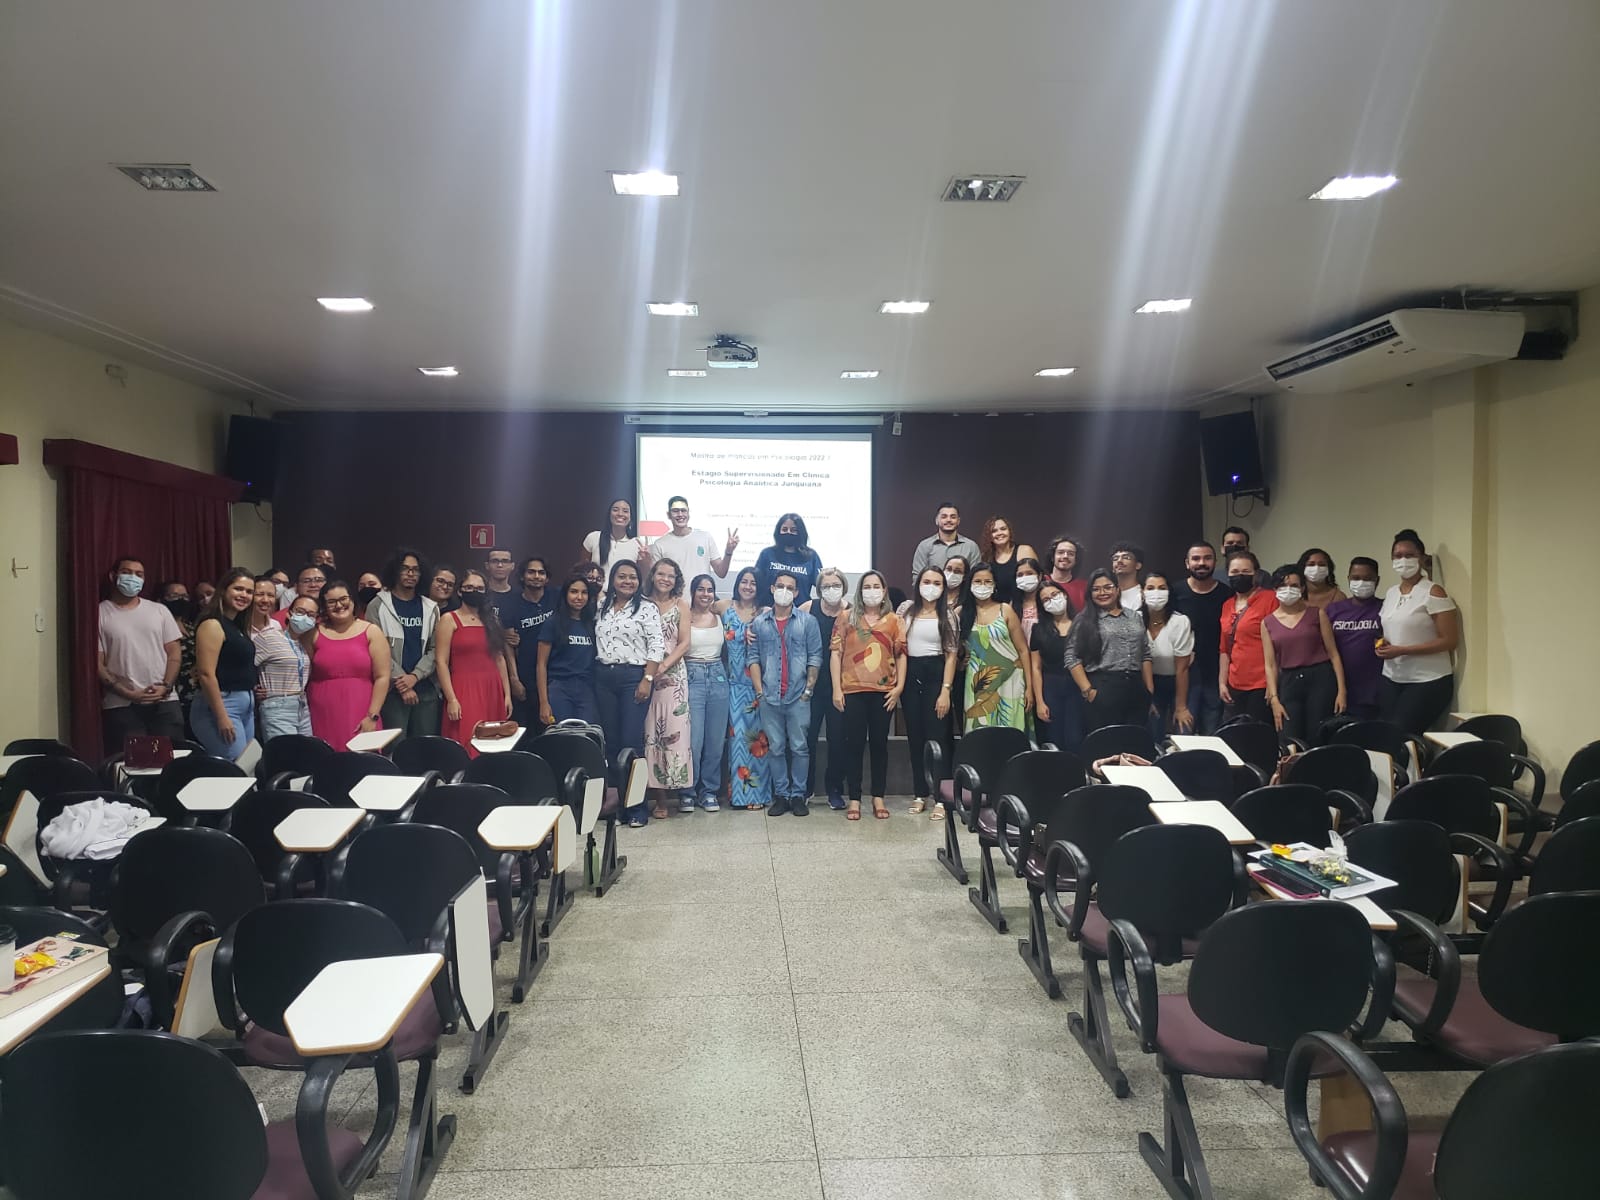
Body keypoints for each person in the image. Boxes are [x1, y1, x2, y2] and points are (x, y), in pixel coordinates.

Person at [593, 559, 665, 825]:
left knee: (631, 743)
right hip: (603, 678)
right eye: (621, 576)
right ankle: (619, 806)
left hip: (633, 677)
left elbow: (656, 645)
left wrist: (647, 678)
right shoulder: (601, 606)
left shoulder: (646, 608)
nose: (627, 581)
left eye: (632, 577)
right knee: (611, 744)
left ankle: (637, 809)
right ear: (612, 580)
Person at [831, 570, 906, 822]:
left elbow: (901, 655)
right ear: (859, 591)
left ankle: (878, 796)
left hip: (884, 692)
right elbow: (835, 654)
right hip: (852, 690)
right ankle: (854, 797)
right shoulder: (846, 617)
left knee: (879, 745)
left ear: (884, 591)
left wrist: (899, 687)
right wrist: (837, 688)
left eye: (876, 586)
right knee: (853, 745)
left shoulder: (894, 621)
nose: (871, 591)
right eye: (867, 586)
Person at [751, 571, 823, 817]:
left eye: (789, 588)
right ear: (772, 589)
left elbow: (815, 656)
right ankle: (781, 795)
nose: (784, 591)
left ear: (796, 592)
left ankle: (798, 795)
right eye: (780, 586)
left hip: (798, 696)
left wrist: (808, 689)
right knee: (776, 748)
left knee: (800, 747)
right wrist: (760, 692)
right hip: (769, 696)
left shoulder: (807, 622)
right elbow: (753, 658)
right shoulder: (760, 623)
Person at [97, 556, 184, 750]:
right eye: (126, 572)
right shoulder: (100, 613)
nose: (133, 578)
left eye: (139, 574)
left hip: (165, 702)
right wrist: (128, 693)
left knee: (173, 759)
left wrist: (166, 686)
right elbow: (98, 663)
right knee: (132, 762)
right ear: (113, 576)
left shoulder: (159, 610)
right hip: (121, 705)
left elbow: (174, 653)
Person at [1378, 529, 1458, 734]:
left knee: (1402, 733)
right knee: (1385, 733)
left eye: (1409, 555)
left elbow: (1449, 640)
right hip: (1392, 678)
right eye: (1397, 556)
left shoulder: (1433, 591)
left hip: (1427, 680)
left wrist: (1403, 650)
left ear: (1421, 558)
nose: (1403, 560)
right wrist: (1383, 644)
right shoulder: (1391, 593)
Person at [1261, 565, 1347, 743]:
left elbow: (1334, 654)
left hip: (1320, 678)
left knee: (1318, 734)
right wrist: (1274, 698)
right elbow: (1270, 664)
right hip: (1289, 681)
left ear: (1302, 588)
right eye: (1283, 586)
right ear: (1275, 589)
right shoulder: (1268, 622)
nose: (1288, 590)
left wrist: (1341, 690)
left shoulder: (1317, 614)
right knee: (1288, 736)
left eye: (1294, 585)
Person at [896, 566, 957, 818]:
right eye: (926, 581)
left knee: (938, 737)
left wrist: (945, 691)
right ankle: (920, 793)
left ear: (943, 587)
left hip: (936, 675)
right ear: (918, 584)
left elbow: (951, 655)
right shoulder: (906, 610)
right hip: (911, 674)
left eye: (937, 583)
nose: (931, 587)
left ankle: (941, 798)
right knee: (916, 738)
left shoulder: (948, 614)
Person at [1064, 569, 1153, 731]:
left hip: (1136, 687)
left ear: (1117, 589)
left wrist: (1149, 690)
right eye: (1096, 589)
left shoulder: (1134, 617)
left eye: (1107, 587)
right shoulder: (1084, 620)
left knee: (1135, 740)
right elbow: (1071, 657)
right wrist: (1088, 691)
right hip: (1103, 686)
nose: (1102, 593)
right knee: (1105, 741)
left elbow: (1145, 654)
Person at [365, 548, 441, 738]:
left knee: (424, 747)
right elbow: (375, 651)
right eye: (405, 569)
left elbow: (435, 650)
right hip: (392, 691)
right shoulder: (377, 605)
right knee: (395, 747)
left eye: (415, 570)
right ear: (395, 571)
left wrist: (415, 676)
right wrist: (402, 682)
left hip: (425, 689)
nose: (410, 573)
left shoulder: (430, 608)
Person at [435, 570, 512, 756]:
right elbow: (441, 662)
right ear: (460, 591)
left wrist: (507, 694)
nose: (474, 591)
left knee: (494, 743)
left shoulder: (492, 620)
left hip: (493, 687)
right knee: (468, 741)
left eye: (479, 588)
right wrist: (451, 699)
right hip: (464, 689)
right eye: (469, 587)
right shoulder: (449, 619)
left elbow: (499, 658)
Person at [306, 580, 391, 748]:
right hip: (321, 712)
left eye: (343, 599)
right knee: (323, 757)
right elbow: (302, 671)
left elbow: (382, 677)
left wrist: (372, 716)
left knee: (361, 758)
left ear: (352, 600)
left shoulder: (371, 631)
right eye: (331, 602)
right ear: (324, 606)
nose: (339, 605)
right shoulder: (313, 633)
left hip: (361, 711)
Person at [643, 559, 694, 816]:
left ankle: (679, 792)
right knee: (651, 734)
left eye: (671, 576)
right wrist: (651, 669)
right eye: (661, 574)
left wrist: (663, 665)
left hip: (674, 679)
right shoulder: (641, 603)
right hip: (645, 676)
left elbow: (684, 643)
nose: (665, 579)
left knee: (674, 733)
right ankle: (660, 800)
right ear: (652, 576)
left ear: (677, 580)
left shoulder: (681, 605)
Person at [190, 569, 259, 760]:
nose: (244, 595)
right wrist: (221, 716)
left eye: (249, 591)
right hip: (222, 705)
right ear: (223, 590)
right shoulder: (212, 624)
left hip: (245, 706)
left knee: (247, 766)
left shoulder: (237, 626)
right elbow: (206, 674)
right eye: (238, 589)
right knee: (234, 767)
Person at [960, 562, 1033, 734]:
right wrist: (961, 662)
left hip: (1010, 680)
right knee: (979, 731)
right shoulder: (961, 613)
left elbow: (1023, 650)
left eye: (988, 582)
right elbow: (955, 650)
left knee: (1010, 730)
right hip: (978, 682)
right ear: (970, 584)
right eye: (978, 581)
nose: (982, 586)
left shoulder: (1005, 610)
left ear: (994, 585)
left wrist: (1029, 688)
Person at [718, 567, 769, 811]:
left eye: (753, 583)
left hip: (758, 686)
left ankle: (758, 795)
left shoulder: (765, 612)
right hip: (732, 685)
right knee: (737, 740)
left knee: (758, 742)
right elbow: (697, 610)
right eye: (744, 581)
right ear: (737, 583)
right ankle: (739, 796)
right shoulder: (724, 607)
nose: (748, 586)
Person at [800, 567, 850, 810]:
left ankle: (835, 789)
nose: (831, 590)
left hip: (842, 685)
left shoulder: (851, 610)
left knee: (838, 739)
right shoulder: (808, 608)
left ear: (844, 587)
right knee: (807, 738)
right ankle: (805, 788)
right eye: (826, 586)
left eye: (836, 585)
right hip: (811, 685)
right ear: (819, 589)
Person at [682, 574, 730, 812]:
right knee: (694, 741)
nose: (705, 594)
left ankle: (709, 791)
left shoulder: (720, 616)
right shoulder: (685, 616)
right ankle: (688, 792)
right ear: (693, 592)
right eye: (700, 589)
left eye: (709, 590)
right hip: (692, 676)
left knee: (715, 741)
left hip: (718, 676)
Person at [1171, 541, 1229, 734]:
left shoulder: (1227, 594)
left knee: (1212, 735)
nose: (1202, 563)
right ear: (1187, 563)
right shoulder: (1175, 592)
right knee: (1183, 734)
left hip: (1216, 675)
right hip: (1184, 675)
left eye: (1207, 558)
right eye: (1196, 559)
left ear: (1215, 562)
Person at [1218, 551, 1278, 724]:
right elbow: (1224, 648)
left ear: (1256, 574)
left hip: (1261, 684)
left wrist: (1273, 685)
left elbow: (1278, 644)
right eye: (1235, 572)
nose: (1240, 576)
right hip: (1234, 684)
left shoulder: (1270, 599)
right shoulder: (1227, 605)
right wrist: (1222, 682)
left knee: (1257, 734)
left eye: (1246, 571)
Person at [250, 577, 313, 740]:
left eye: (311, 615)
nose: (305, 617)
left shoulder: (296, 640)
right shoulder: (267, 636)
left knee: (308, 752)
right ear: (289, 613)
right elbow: (243, 666)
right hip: (278, 705)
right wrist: (253, 688)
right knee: (285, 753)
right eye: (300, 612)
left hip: (301, 704)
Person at [1325, 557, 1385, 719]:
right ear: (1348, 579)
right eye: (1356, 578)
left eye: (1367, 578)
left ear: (1377, 580)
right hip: (1339, 688)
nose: (1361, 582)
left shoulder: (1385, 608)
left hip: (1374, 691)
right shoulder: (1333, 610)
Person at [536, 576, 599, 725]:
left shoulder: (592, 624)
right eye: (574, 592)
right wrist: (544, 702)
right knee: (564, 734)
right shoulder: (553, 623)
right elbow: (541, 665)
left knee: (586, 734)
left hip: (586, 688)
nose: (579, 597)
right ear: (565, 594)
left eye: (584, 592)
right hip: (559, 687)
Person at [1030, 578, 1082, 752]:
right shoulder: (1038, 629)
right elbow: (1036, 668)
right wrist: (1040, 701)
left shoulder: (1082, 624)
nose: (1052, 600)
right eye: (1046, 599)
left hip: (1077, 688)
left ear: (1064, 595)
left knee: (1075, 737)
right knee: (1054, 738)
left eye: (1055, 594)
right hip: (1051, 688)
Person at [502, 556, 554, 725]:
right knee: (527, 727)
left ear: (547, 578)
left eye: (541, 572)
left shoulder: (556, 597)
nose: (536, 576)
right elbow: (508, 644)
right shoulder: (511, 604)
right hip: (525, 674)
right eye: (531, 572)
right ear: (522, 576)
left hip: (555, 673)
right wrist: (514, 679)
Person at [1143, 571, 1194, 738]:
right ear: (1142, 592)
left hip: (1177, 682)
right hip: (1147, 684)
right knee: (1151, 733)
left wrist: (1181, 707)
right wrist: (1148, 699)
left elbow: (1182, 669)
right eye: (1150, 588)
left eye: (1162, 588)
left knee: (1183, 730)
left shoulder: (1180, 622)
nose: (1156, 593)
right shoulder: (1135, 619)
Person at [650, 497, 737, 581]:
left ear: (688, 513)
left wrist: (728, 552)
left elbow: (721, 572)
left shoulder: (705, 537)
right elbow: (654, 579)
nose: (680, 514)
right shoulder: (660, 544)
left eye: (683, 510)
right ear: (668, 515)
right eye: (675, 511)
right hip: (674, 592)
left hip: (701, 591)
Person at [753, 513, 826, 607]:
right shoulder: (767, 554)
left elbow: (823, 585)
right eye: (784, 529)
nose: (788, 532)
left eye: (793, 530)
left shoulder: (811, 556)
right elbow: (756, 582)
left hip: (801, 611)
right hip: (770, 610)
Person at [155, 580, 198, 729]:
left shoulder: (191, 626)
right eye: (174, 596)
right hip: (171, 692)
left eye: (185, 596)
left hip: (197, 693)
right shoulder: (157, 626)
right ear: (160, 600)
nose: (181, 600)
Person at [910, 502, 981, 581]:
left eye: (953, 517)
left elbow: (976, 577)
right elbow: (918, 578)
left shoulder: (971, 546)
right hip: (933, 589)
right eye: (944, 517)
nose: (948, 520)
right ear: (937, 520)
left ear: (958, 521)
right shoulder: (924, 546)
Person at [980, 515, 1039, 603]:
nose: (999, 533)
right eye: (994, 531)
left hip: (1026, 605)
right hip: (999, 607)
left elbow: (1038, 580)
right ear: (989, 536)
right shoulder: (987, 558)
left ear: (1009, 531)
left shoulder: (1024, 551)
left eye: (1003, 529)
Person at [582, 499, 645, 568]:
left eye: (625, 511)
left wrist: (646, 560)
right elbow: (582, 568)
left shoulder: (638, 543)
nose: (620, 514)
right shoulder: (594, 537)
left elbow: (642, 573)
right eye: (615, 510)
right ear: (609, 514)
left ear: (631, 517)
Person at [1045, 535, 1089, 613]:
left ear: (1076, 560)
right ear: (1052, 557)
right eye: (1060, 552)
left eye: (1071, 554)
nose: (1065, 556)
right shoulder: (1041, 581)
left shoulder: (1085, 587)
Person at [1009, 557, 1046, 644]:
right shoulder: (1013, 605)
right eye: (1020, 575)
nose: (1025, 578)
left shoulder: (1048, 601)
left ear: (1040, 576)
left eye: (1029, 573)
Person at [1109, 541, 1145, 611]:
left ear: (1138, 565)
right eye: (1115, 559)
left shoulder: (1145, 594)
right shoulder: (1107, 594)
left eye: (1126, 557)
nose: (1119, 561)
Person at [483, 549, 516, 618]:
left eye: (505, 561)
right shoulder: (480, 594)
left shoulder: (520, 596)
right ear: (487, 565)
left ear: (512, 566)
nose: (500, 565)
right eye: (494, 561)